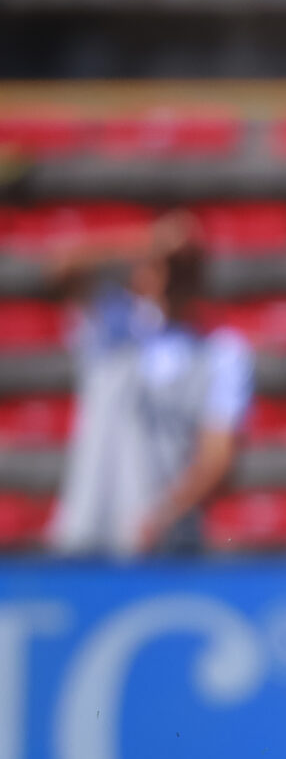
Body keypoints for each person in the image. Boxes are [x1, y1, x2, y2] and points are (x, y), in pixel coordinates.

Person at [45, 213, 248, 558]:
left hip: (164, 546)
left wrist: (161, 517)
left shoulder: (221, 353)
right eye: (162, 265)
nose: (170, 277)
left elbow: (217, 457)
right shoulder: (113, 324)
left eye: (181, 268)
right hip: (85, 535)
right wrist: (147, 239)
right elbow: (61, 267)